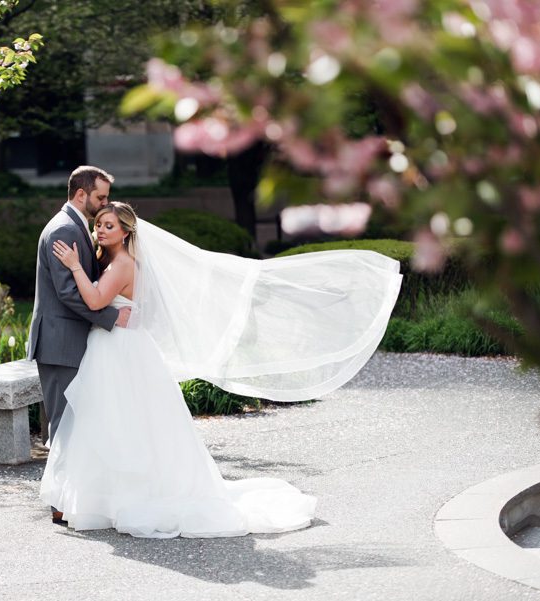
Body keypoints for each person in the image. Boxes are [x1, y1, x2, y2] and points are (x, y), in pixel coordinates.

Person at [40, 201, 402, 538]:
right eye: (98, 224)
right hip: (117, 349)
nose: (99, 230)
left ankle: (122, 496)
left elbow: (94, 300)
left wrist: (74, 266)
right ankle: (107, 496)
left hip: (120, 351)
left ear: (126, 232)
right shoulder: (114, 261)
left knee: (124, 423)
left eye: (108, 226)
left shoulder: (121, 266)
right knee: (118, 422)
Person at [27, 166, 131, 526]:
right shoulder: (64, 229)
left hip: (69, 341)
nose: (105, 204)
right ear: (82, 194)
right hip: (60, 343)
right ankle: (59, 502)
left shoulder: (76, 227)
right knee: (62, 422)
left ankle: (70, 496)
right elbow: (69, 293)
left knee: (73, 421)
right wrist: (108, 319)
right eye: (101, 197)